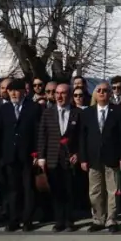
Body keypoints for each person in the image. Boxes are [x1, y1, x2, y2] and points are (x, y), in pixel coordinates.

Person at [80, 81, 121, 233]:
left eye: (105, 90)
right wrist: (83, 158)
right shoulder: (87, 112)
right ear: (95, 93)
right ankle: (98, 219)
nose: (102, 93)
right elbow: (82, 137)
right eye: (99, 90)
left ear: (110, 94)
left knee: (113, 190)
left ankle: (111, 219)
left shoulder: (118, 111)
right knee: (95, 191)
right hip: (93, 158)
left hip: (112, 157)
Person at [0, 79, 41, 232]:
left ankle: (27, 219)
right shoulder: (4, 109)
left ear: (24, 91)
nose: (14, 93)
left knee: (28, 187)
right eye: (11, 91)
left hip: (27, 154)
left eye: (16, 90)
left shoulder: (33, 107)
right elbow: (0, 132)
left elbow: (37, 131)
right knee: (13, 188)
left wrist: (37, 152)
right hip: (10, 155)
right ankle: (13, 219)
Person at [37, 83, 81, 232]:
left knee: (69, 190)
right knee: (56, 191)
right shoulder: (48, 113)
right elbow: (42, 136)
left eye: (63, 93)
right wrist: (41, 157)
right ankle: (59, 220)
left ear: (69, 95)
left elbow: (82, 137)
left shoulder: (77, 113)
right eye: (57, 93)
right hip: (52, 158)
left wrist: (78, 153)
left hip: (70, 158)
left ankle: (69, 220)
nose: (59, 96)